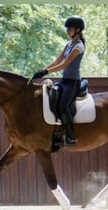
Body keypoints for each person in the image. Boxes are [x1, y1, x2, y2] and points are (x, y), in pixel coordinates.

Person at [32, 15, 86, 147]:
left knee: (63, 106)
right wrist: (42, 70)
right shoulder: (69, 44)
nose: (68, 31)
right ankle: (57, 133)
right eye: (67, 29)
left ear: (78, 30)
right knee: (53, 99)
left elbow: (64, 64)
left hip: (73, 83)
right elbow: (57, 60)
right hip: (64, 81)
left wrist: (46, 72)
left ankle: (71, 137)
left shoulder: (78, 46)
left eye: (70, 29)